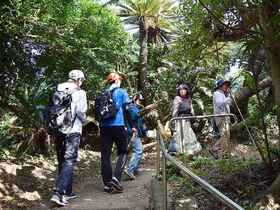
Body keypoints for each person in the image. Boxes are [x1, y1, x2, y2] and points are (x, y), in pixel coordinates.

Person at [50, 70, 87, 206]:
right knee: (70, 160)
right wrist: (85, 121)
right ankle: (59, 193)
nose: (82, 82)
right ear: (78, 79)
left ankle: (68, 191)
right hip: (73, 130)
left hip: (58, 129)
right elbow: (80, 113)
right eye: (82, 80)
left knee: (62, 160)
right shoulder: (80, 92)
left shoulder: (58, 88)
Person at [100, 72, 134, 193]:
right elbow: (127, 110)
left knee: (105, 156)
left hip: (104, 127)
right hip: (118, 126)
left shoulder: (103, 93)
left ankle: (107, 183)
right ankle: (115, 179)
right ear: (116, 81)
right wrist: (132, 126)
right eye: (119, 79)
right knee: (123, 151)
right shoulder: (121, 92)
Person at [169, 83, 202, 157]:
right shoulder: (177, 98)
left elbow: (191, 109)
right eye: (180, 90)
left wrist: (194, 118)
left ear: (187, 91)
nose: (182, 91)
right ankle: (178, 152)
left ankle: (189, 152)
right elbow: (175, 111)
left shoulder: (188, 99)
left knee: (189, 135)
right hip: (180, 120)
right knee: (179, 135)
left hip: (187, 120)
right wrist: (173, 121)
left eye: (184, 89)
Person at [124, 94, 147, 180]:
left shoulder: (136, 108)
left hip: (135, 132)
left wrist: (144, 133)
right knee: (138, 150)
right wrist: (144, 111)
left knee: (135, 151)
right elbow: (134, 116)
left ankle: (133, 169)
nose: (140, 102)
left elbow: (140, 123)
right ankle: (130, 169)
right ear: (135, 99)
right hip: (132, 132)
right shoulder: (131, 107)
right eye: (139, 100)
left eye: (141, 101)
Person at [211, 79, 232, 159]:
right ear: (220, 86)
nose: (226, 86)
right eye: (225, 85)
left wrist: (229, 97)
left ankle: (215, 148)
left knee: (226, 135)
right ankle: (224, 154)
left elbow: (228, 103)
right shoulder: (217, 93)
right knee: (224, 135)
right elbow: (219, 103)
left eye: (227, 85)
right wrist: (228, 98)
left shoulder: (224, 95)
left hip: (226, 116)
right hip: (221, 117)